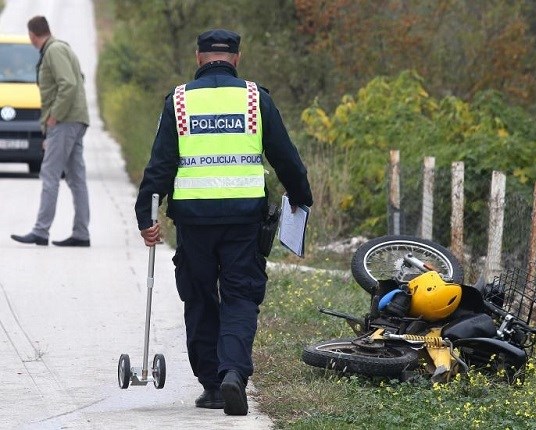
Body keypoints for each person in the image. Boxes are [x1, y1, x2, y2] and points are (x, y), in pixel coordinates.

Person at [134, 29, 313, 415]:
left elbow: (160, 167)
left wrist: (145, 216)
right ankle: (233, 372)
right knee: (240, 295)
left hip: (194, 222)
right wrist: (301, 198)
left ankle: (213, 387)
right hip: (243, 221)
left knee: (199, 297)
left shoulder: (178, 101)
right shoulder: (255, 98)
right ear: (237, 57)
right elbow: (286, 157)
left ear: (199, 57)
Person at [10, 16, 90, 247]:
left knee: (49, 175)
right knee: (76, 178)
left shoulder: (53, 51)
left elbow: (69, 84)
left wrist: (54, 116)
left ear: (33, 35)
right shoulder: (62, 48)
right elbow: (78, 79)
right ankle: (81, 233)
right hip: (75, 119)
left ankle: (41, 231)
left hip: (64, 121)